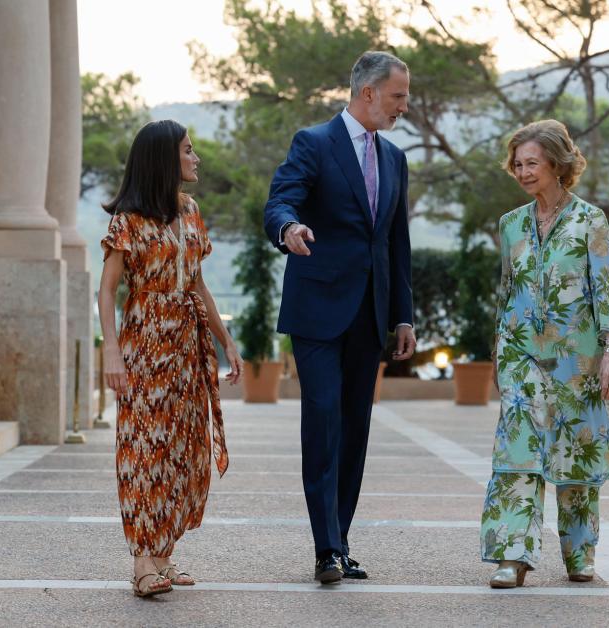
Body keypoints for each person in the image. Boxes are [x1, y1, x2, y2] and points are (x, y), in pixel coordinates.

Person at [263, 51, 417, 584]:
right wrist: (289, 229)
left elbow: (397, 244)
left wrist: (403, 316)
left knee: (355, 431)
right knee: (323, 421)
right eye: (398, 96)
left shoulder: (395, 159)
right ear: (368, 93)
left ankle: (341, 541)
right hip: (319, 312)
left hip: (370, 316)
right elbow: (281, 200)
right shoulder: (314, 143)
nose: (404, 106)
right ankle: (325, 547)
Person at [98, 120, 243, 597]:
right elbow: (107, 292)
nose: (195, 157)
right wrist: (112, 354)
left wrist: (226, 341)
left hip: (186, 344)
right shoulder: (128, 221)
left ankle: (163, 554)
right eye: (187, 149)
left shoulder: (191, 212)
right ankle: (142, 562)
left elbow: (197, 283)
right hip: (144, 342)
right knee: (143, 450)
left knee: (184, 450)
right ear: (165, 159)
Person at [482, 119, 609, 588]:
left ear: (558, 165)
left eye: (532, 163)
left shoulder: (590, 220)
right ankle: (512, 557)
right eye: (517, 164)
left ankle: (579, 555)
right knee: (516, 455)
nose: (523, 172)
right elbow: (506, 294)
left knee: (575, 458)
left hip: (578, 360)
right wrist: (498, 356)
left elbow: (606, 289)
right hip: (521, 357)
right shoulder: (510, 225)